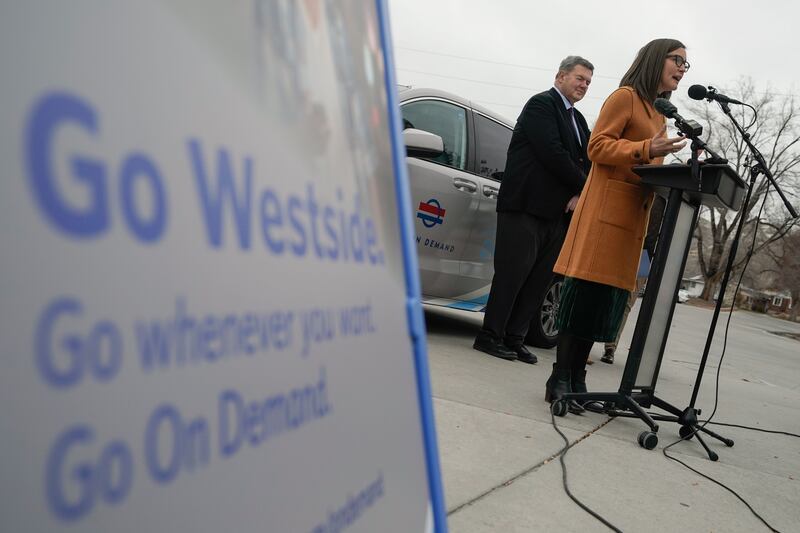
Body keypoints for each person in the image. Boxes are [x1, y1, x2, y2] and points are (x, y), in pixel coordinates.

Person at [546, 39, 689, 413]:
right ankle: (560, 377)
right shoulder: (623, 97)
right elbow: (597, 147)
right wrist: (646, 150)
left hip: (631, 221)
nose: (682, 69)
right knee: (584, 299)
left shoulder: (658, 114)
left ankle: (578, 379)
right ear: (657, 59)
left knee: (601, 307)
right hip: (603, 219)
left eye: (686, 65)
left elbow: (643, 165)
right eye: (678, 61)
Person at [473, 56, 594, 365]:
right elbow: (551, 153)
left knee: (538, 281)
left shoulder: (579, 121)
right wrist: (583, 187)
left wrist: (582, 190)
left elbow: (587, 161)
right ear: (560, 77)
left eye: (588, 82)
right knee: (513, 274)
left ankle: (515, 338)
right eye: (579, 78)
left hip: (557, 214)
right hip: (525, 206)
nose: (584, 85)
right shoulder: (541, 105)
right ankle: (490, 336)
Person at [601, 195, 666, 364]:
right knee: (605, 295)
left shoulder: (669, 201)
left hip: (645, 257)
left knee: (627, 303)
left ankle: (610, 347)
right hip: (624, 247)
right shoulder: (645, 190)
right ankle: (586, 342)